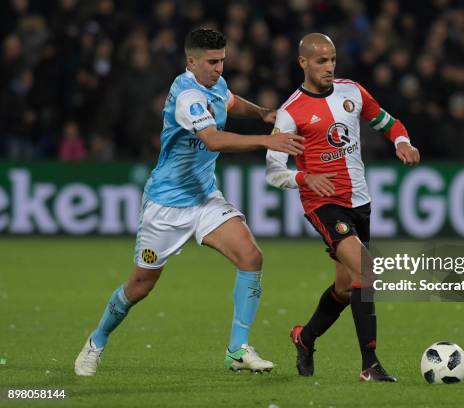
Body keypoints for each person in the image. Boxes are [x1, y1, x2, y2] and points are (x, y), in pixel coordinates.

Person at [75, 28, 304, 376]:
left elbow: (230, 101)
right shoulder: (187, 97)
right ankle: (97, 339)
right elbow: (211, 140)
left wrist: (262, 113)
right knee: (140, 286)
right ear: (191, 61)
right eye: (212, 62)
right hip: (166, 206)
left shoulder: (216, 84)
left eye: (223, 61)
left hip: (204, 198)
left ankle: (236, 350)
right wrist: (266, 141)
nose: (219, 68)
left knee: (251, 256)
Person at [266, 33, 420, 382]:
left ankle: (304, 339)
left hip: (359, 201)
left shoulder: (351, 91)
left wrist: (403, 142)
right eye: (321, 61)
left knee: (345, 288)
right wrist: (305, 179)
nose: (329, 67)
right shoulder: (291, 113)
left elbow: (387, 122)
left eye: (333, 59)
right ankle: (370, 365)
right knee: (367, 271)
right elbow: (274, 173)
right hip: (323, 204)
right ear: (303, 62)